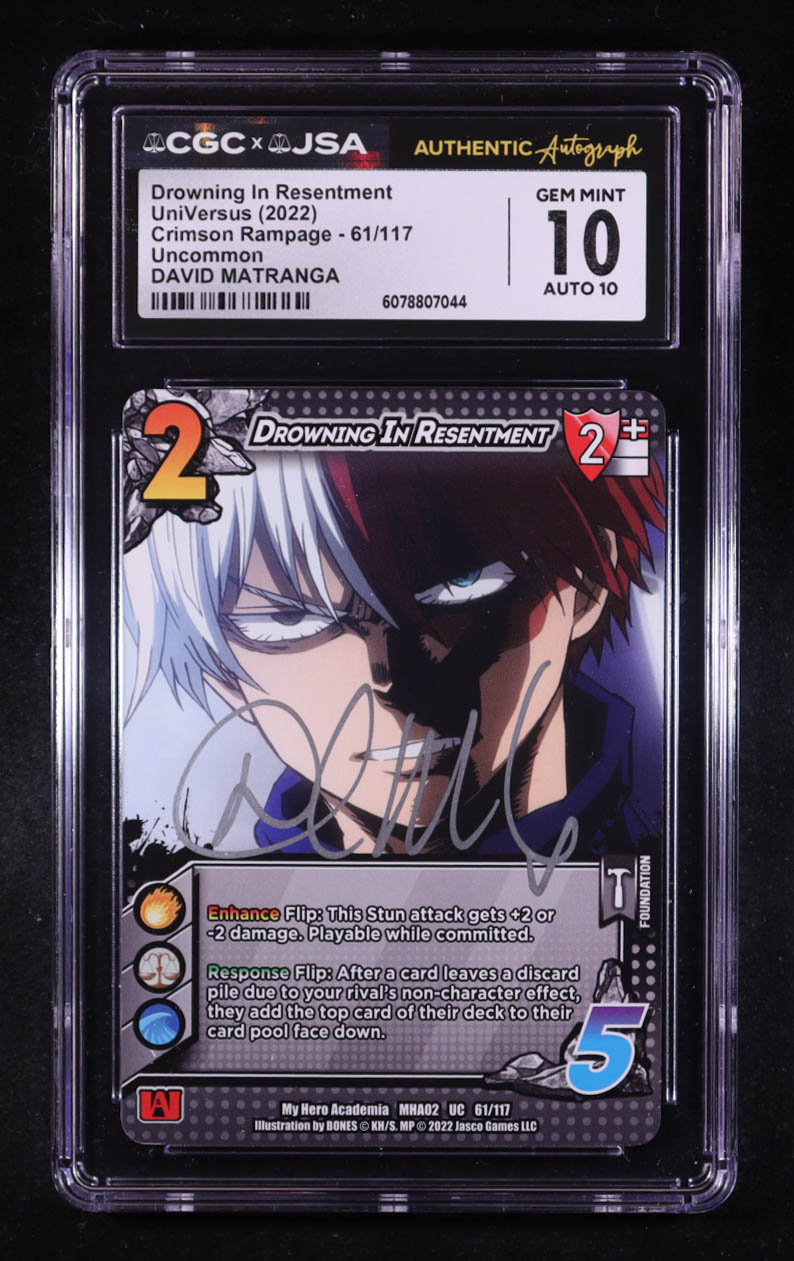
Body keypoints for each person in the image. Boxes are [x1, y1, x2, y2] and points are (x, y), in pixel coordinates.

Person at [124, 389, 664, 861]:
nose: (387, 677)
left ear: (585, 586)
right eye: (287, 620)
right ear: (220, 671)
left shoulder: (670, 847)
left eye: (460, 586)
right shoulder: (198, 896)